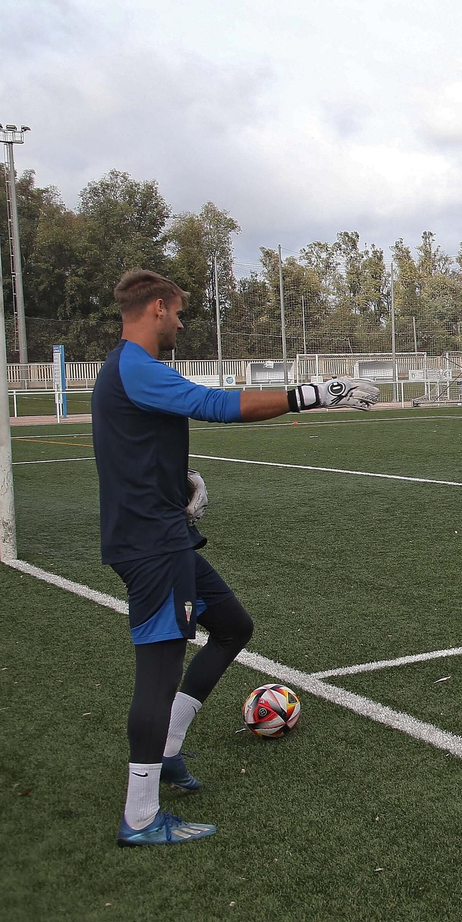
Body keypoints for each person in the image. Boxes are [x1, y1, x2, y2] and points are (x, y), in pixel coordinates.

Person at [95, 270, 380, 847]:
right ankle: (141, 816)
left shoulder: (127, 367)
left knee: (231, 627)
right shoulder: (136, 365)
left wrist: (178, 486)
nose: (180, 322)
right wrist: (312, 394)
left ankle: (168, 749)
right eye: (177, 313)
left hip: (162, 533)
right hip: (152, 547)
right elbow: (215, 405)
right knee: (158, 670)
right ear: (155, 308)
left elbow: (137, 447)